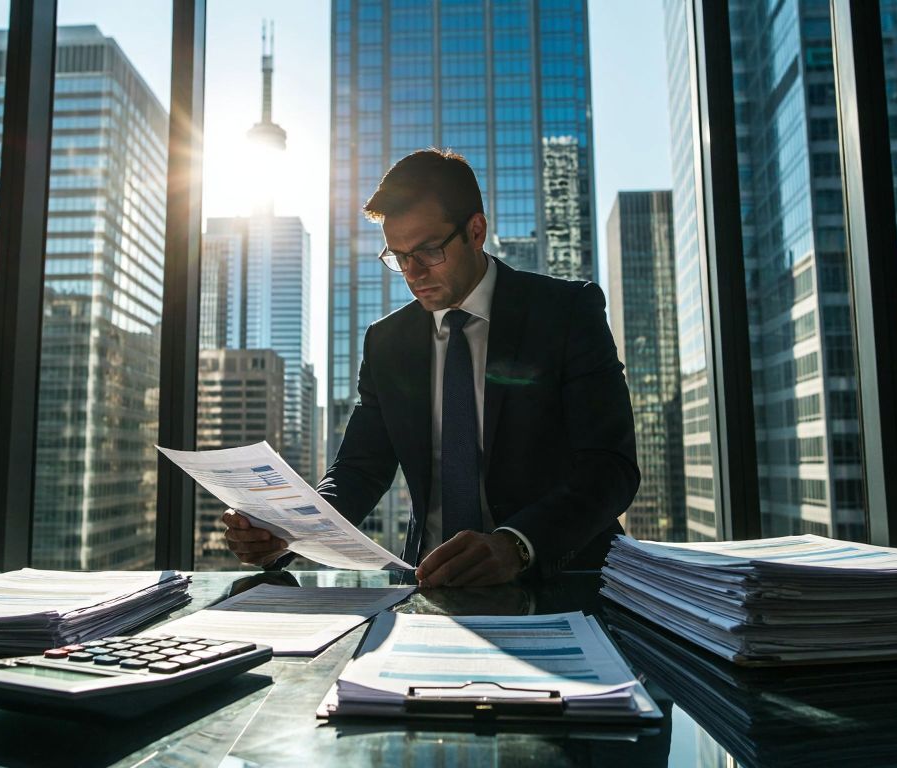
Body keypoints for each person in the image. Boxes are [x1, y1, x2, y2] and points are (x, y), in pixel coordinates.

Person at [222, 149, 640, 587]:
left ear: (476, 231)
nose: (412, 272)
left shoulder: (565, 312)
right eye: (398, 256)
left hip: (563, 579)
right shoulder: (387, 342)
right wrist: (290, 532)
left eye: (427, 251)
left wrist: (517, 543)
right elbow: (360, 469)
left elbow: (610, 466)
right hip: (429, 586)